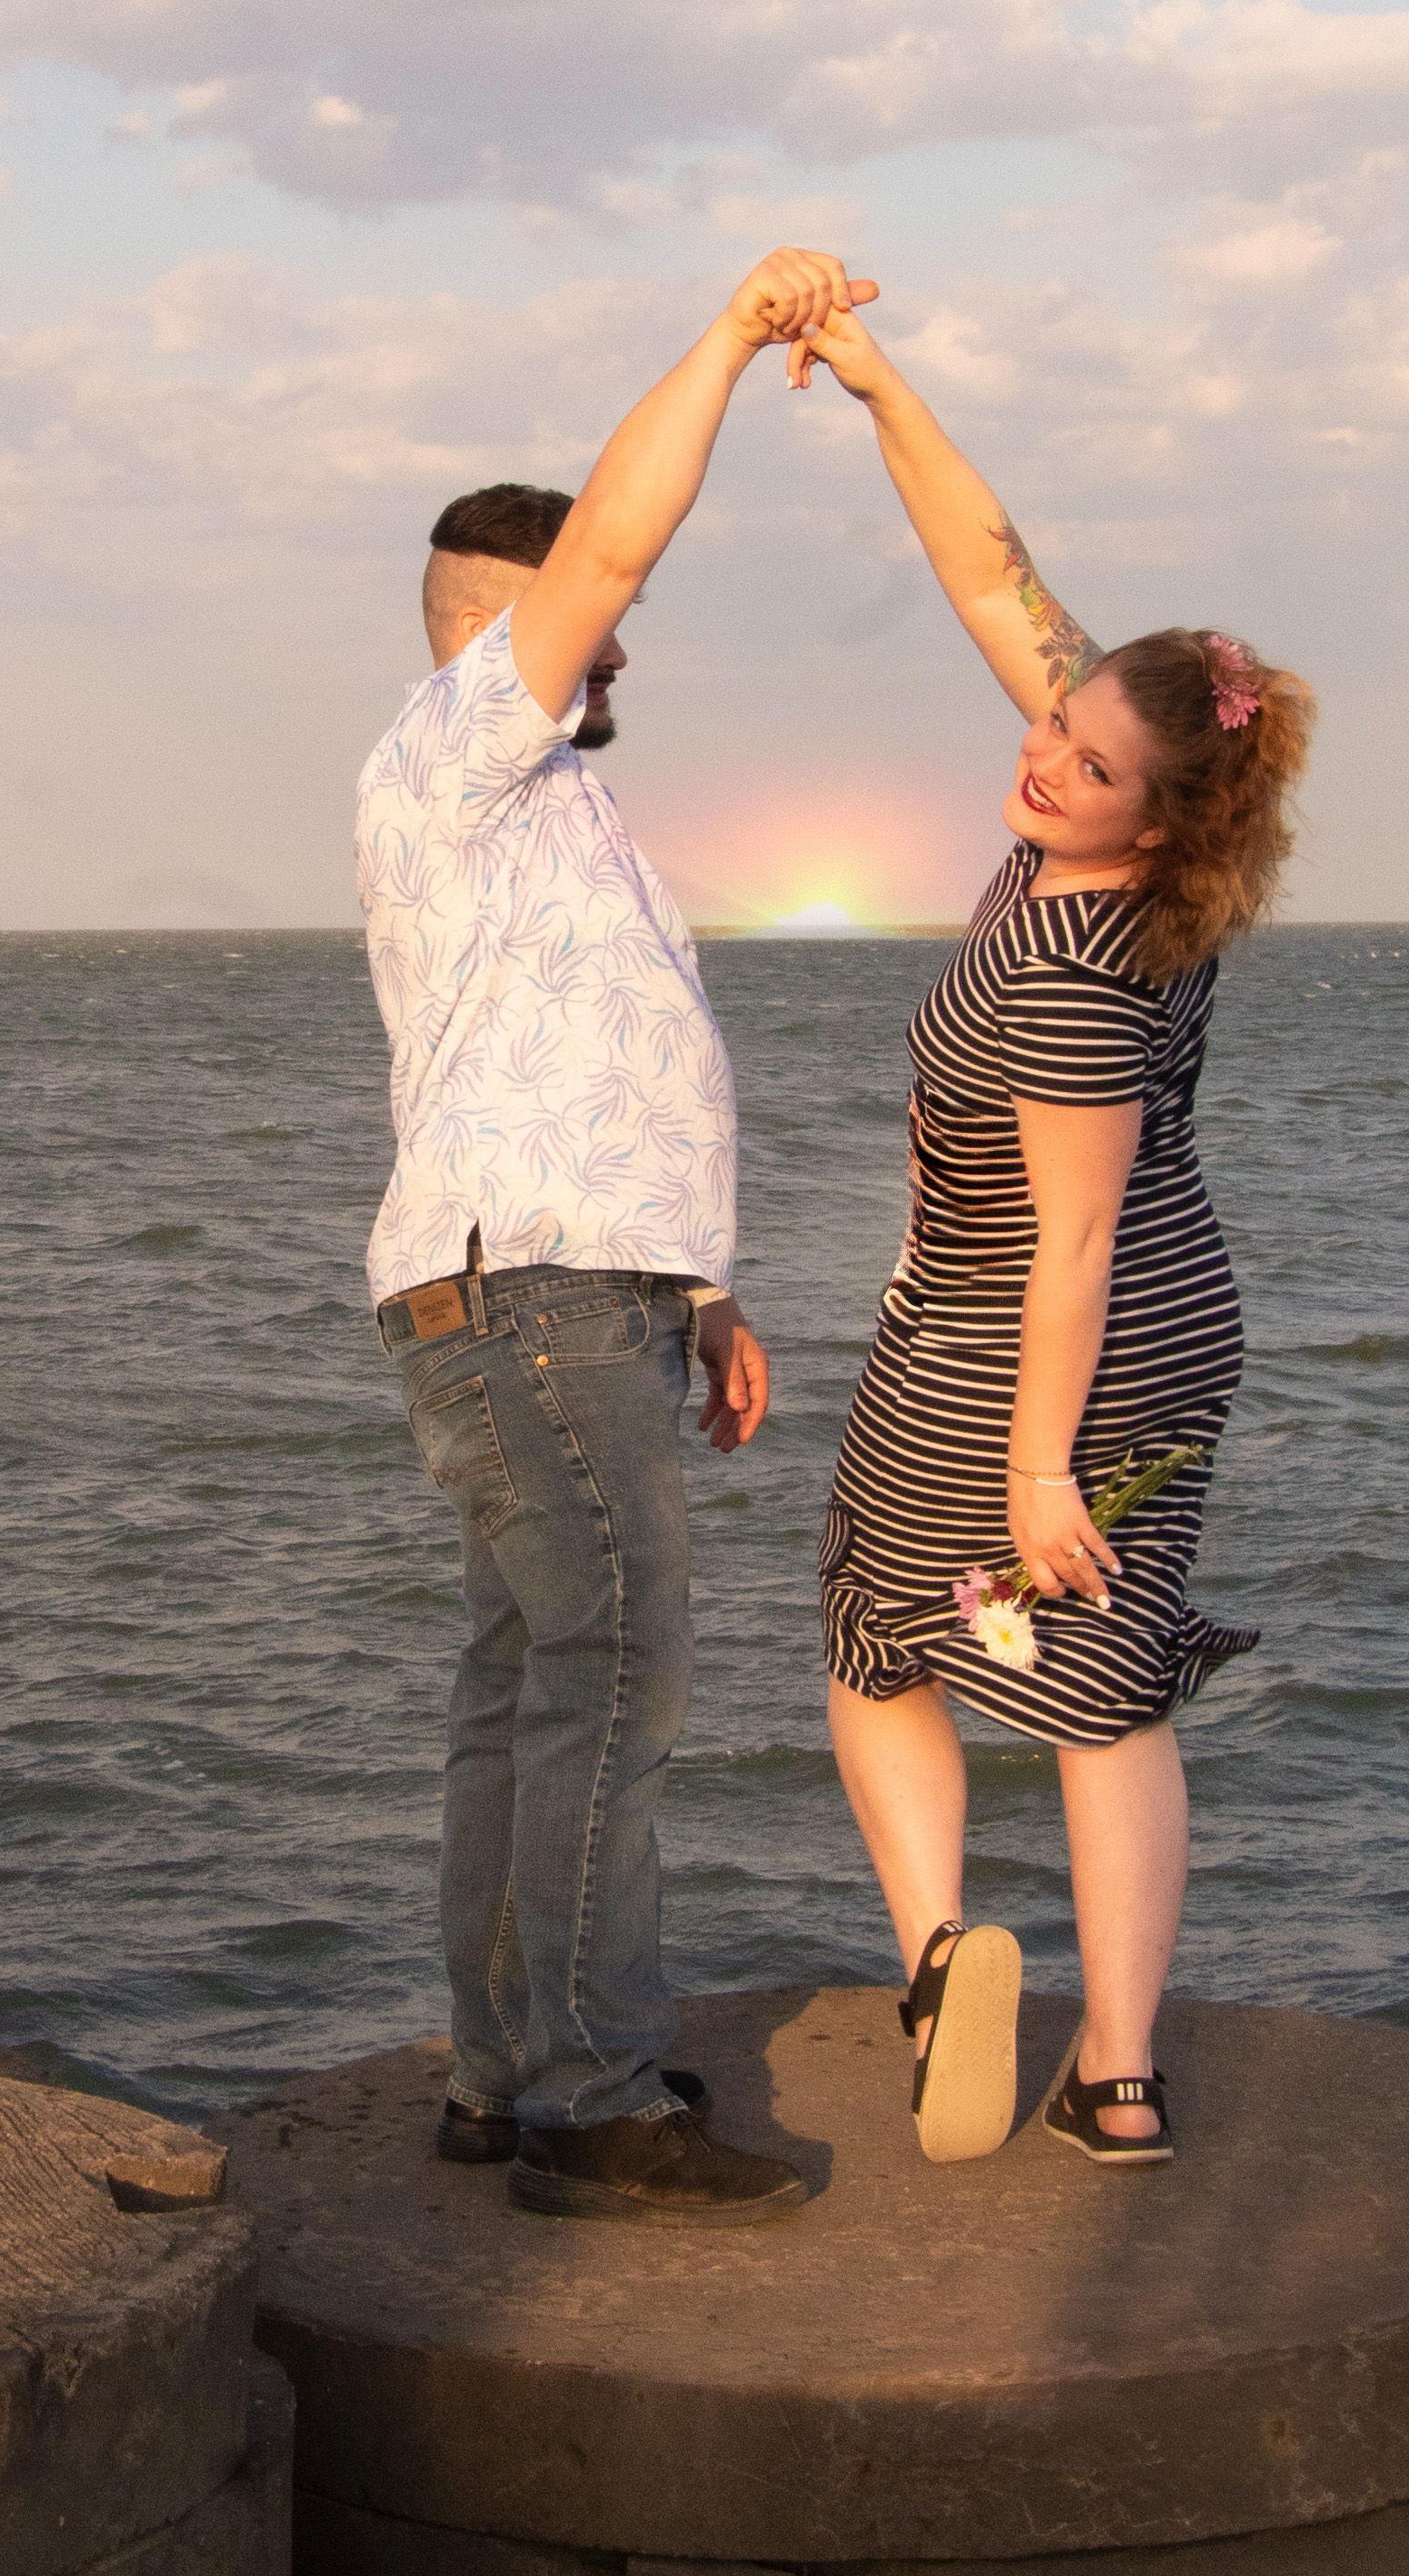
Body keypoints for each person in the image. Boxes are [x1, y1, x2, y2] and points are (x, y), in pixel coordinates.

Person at [353, 246, 870, 2224]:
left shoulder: (550, 813)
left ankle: (503, 2075)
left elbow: (600, 1058)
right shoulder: (462, 744)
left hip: (570, 1286)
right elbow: (621, 535)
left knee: (530, 1679)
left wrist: (703, 1288)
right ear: (518, 622)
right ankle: (590, 2098)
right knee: (614, 1671)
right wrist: (736, 336)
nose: (626, 642)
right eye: (598, 612)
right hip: (532, 1296)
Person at [783, 304, 1314, 2169]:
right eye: (1058, 725)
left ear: (1159, 825)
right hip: (1158, 1327)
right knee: (1105, 1684)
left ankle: (946, 1968)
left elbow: (1069, 1239)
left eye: (1085, 764)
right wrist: (879, 383)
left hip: (1029, 1341)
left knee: (881, 1638)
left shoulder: (1083, 962)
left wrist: (1032, 1465)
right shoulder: (1121, 839)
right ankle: (1116, 2077)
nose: (1044, 758)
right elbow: (985, 568)